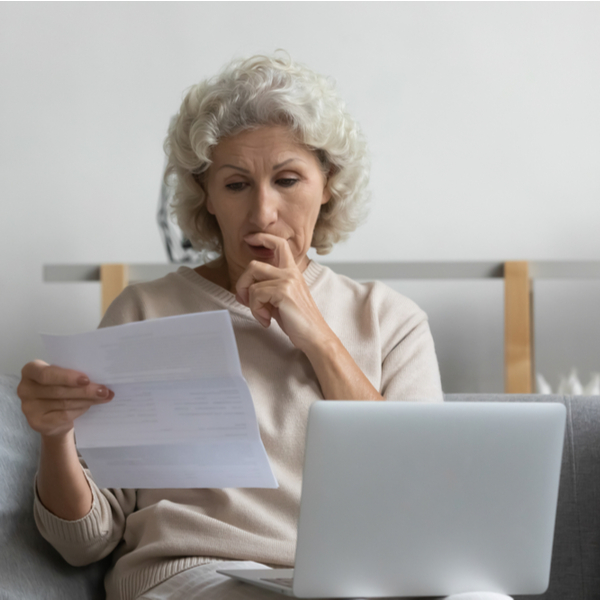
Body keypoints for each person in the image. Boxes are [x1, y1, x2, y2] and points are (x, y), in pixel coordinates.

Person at [17, 53, 446, 600]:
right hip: (195, 578)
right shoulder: (145, 311)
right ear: (208, 198)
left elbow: (415, 498)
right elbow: (86, 542)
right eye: (237, 184)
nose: (264, 211)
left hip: (353, 582)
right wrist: (56, 438)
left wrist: (315, 333)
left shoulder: (391, 320)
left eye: (288, 180)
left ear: (327, 185)